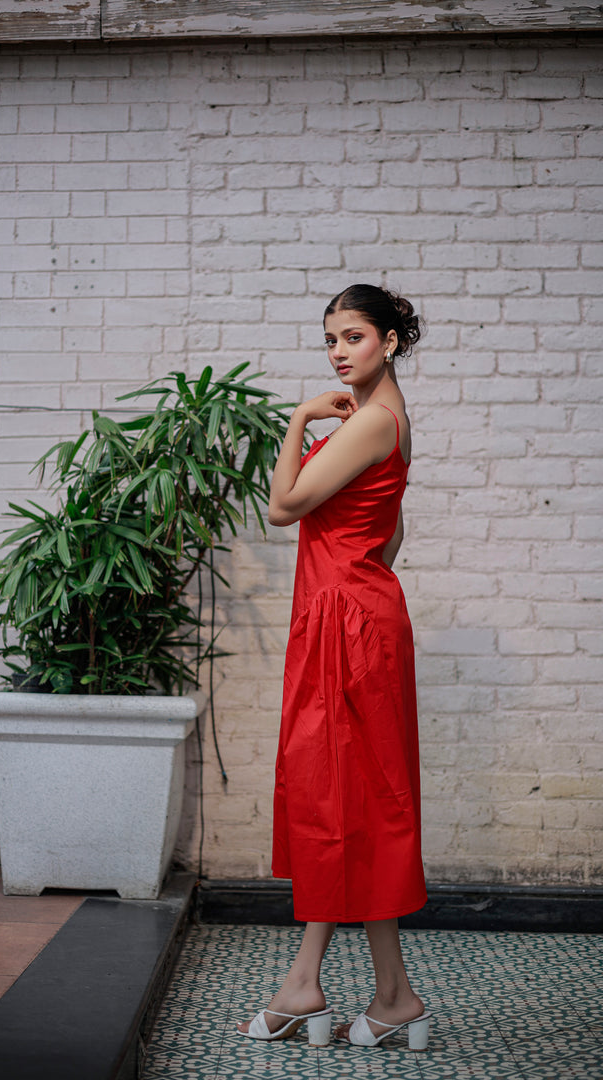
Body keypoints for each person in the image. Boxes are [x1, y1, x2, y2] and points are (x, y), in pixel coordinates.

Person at [237, 284, 430, 1051]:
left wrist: (296, 421)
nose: (338, 352)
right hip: (352, 618)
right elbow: (390, 538)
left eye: (352, 337)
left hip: (345, 626)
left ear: (388, 341)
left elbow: (283, 506)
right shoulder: (393, 425)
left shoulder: (370, 423)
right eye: (330, 340)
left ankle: (317, 987)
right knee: (345, 800)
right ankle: (377, 993)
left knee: (343, 798)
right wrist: (351, 580)